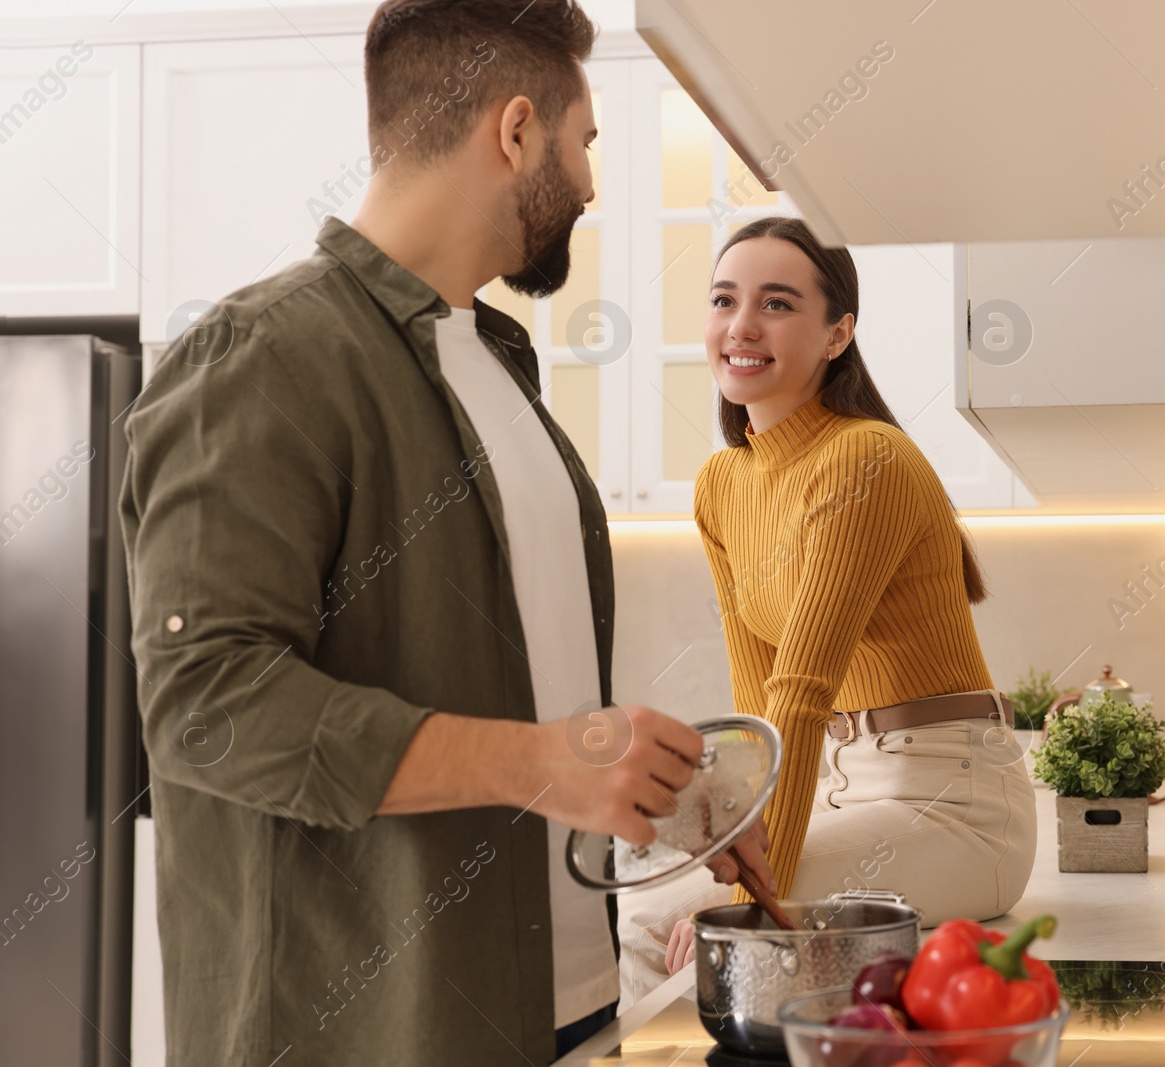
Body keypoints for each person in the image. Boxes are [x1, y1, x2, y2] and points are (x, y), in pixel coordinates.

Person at [118, 3, 770, 1064]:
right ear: (515, 132)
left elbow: (516, 694)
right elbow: (206, 706)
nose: (594, 184)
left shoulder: (494, 360)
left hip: (554, 996)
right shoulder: (262, 359)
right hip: (372, 1025)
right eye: (584, 142)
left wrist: (655, 785)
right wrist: (541, 763)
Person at [617, 216, 1036, 1005]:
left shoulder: (865, 459)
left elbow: (801, 690)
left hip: (953, 804)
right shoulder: (721, 484)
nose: (740, 326)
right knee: (672, 924)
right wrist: (747, 831)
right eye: (723, 299)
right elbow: (757, 698)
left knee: (659, 925)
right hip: (844, 787)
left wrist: (746, 887)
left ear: (838, 332)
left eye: (777, 303)